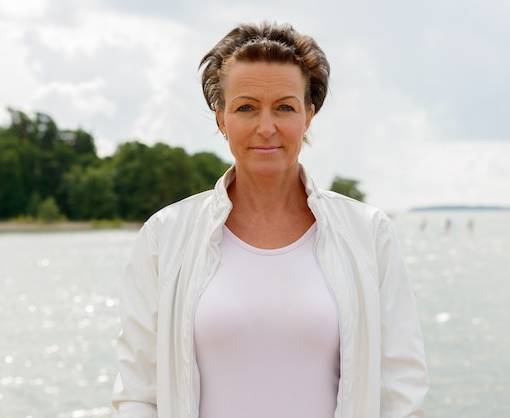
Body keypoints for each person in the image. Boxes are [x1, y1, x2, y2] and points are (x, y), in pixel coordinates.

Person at [112, 21, 428, 418]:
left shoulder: (369, 233)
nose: (266, 127)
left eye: (284, 107)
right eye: (246, 107)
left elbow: (400, 391)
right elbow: (138, 393)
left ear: (308, 116)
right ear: (221, 119)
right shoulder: (164, 235)